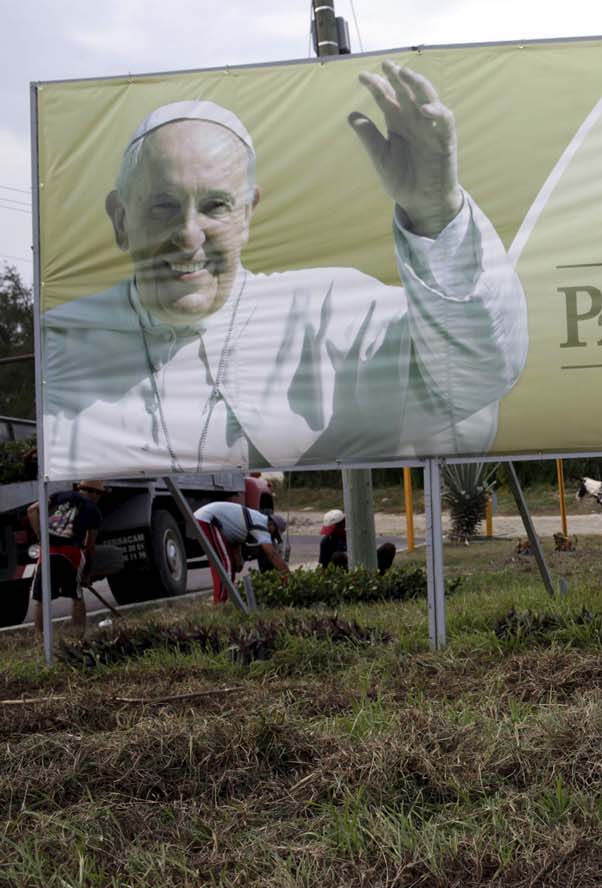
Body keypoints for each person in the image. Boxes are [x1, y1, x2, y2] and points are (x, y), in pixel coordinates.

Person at [42, 61, 528, 480]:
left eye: (215, 206)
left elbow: (477, 374)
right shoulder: (64, 342)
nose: (189, 236)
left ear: (248, 214)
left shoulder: (329, 311)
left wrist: (437, 212)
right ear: (121, 220)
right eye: (164, 206)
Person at [28, 479, 112, 631]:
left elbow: (32, 510)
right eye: (100, 494)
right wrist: (87, 574)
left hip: (49, 551)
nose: (99, 498)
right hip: (72, 553)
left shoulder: (59, 496)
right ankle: (78, 637)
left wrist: (42, 537)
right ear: (93, 493)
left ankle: (39, 641)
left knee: (41, 599)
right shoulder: (94, 511)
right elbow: (90, 546)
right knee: (77, 596)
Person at [192, 499, 289, 603]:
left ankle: (224, 598)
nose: (272, 537)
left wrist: (238, 558)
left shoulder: (257, 518)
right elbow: (272, 555)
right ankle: (220, 602)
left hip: (206, 518)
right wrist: (286, 573)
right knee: (225, 564)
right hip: (207, 520)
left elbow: (235, 536)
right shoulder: (261, 527)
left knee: (226, 564)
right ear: (271, 524)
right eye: (274, 534)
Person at [318, 507, 396, 571]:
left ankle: (379, 577)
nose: (332, 533)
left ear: (343, 523)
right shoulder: (326, 542)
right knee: (338, 556)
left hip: (365, 562)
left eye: (334, 530)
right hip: (347, 570)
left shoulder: (357, 533)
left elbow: (369, 552)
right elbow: (324, 566)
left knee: (388, 548)